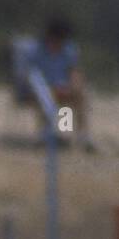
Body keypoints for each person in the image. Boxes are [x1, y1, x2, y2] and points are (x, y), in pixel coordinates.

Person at [22, 17, 94, 151]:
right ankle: (48, 134)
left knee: (78, 95)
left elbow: (74, 71)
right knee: (48, 97)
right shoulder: (35, 51)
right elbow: (30, 76)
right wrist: (49, 89)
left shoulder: (68, 49)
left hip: (64, 89)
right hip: (42, 90)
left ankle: (73, 135)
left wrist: (73, 86)